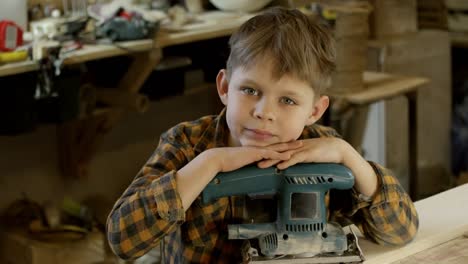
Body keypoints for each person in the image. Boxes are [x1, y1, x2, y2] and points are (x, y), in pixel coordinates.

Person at [106, 7, 419, 263]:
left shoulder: (322, 148)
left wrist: (348, 155)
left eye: (287, 100)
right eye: (250, 90)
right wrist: (209, 163)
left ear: (314, 110)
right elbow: (122, 240)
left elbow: (400, 230)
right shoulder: (186, 144)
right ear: (225, 87)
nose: (264, 112)